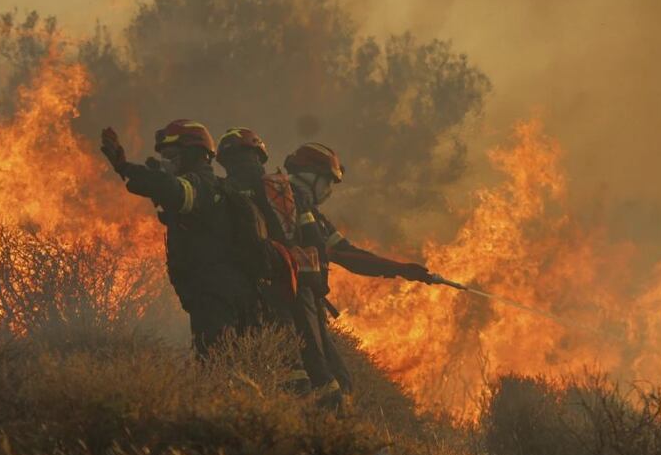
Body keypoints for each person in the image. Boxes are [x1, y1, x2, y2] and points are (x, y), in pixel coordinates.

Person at [283, 142, 437, 393]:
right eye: (327, 182)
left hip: (309, 305)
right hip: (295, 308)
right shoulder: (292, 208)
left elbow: (350, 254)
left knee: (341, 381)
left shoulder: (314, 217)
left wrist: (401, 269)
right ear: (310, 177)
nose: (329, 190)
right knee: (325, 386)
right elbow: (344, 255)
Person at [100, 120, 261, 357]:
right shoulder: (210, 185)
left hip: (217, 295)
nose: (167, 160)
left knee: (216, 364)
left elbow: (173, 190)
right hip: (223, 292)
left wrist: (126, 168)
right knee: (233, 363)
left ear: (195, 154)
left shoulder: (201, 186)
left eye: (172, 155)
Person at [215, 128, 337, 396]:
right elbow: (315, 242)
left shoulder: (222, 191)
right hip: (296, 286)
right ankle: (329, 418)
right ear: (260, 156)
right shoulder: (283, 188)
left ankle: (297, 414)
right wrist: (317, 286)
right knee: (316, 363)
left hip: (256, 289)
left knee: (281, 361)